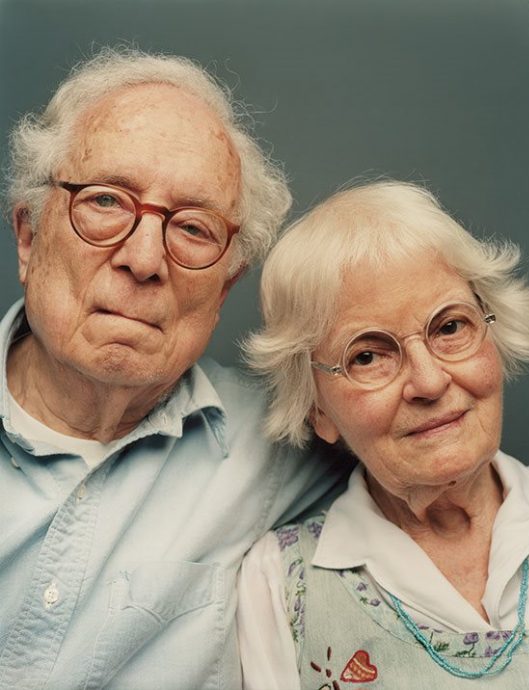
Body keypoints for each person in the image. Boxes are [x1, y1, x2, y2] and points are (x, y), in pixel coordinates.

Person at [0, 48, 350, 690]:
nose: (143, 259)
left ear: (225, 287)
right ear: (28, 236)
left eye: (193, 228)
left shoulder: (279, 438)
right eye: (106, 200)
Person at [238, 181, 529, 688]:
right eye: (367, 356)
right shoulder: (278, 583)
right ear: (316, 409)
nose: (430, 381)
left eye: (449, 328)